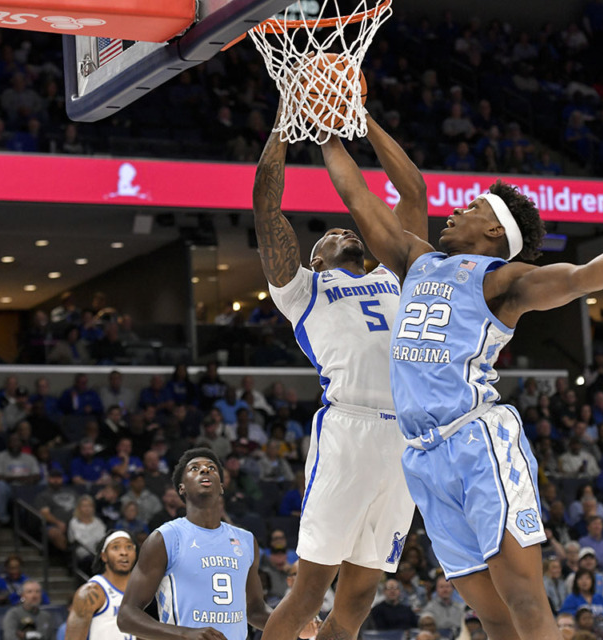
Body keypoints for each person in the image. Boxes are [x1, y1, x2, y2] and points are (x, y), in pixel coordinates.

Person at [323, 118, 603, 639]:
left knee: (523, 595)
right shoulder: (417, 260)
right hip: (421, 454)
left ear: (495, 232)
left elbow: (578, 278)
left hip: (476, 440)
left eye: (472, 208)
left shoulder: (503, 282)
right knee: (492, 613)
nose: (455, 212)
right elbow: (358, 198)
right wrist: (329, 134)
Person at [254, 105, 427, 640]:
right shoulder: (303, 289)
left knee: (357, 598)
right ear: (316, 257)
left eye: (345, 229)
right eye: (329, 234)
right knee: (309, 592)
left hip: (407, 436)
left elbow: (414, 194)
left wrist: (360, 117)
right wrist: (286, 127)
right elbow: (267, 209)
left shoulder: (399, 269)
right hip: (349, 430)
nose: (342, 231)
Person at [117, 448, 271, 640]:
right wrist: (185, 634)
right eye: (195, 468)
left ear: (221, 486)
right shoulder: (165, 538)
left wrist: (294, 621)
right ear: (182, 488)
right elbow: (126, 616)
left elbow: (255, 610)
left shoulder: (246, 540)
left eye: (211, 468)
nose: (205, 470)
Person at [65, 531, 137, 640]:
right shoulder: (91, 592)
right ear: (104, 556)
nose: (124, 552)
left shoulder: (138, 592)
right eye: (116, 547)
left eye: (129, 547)